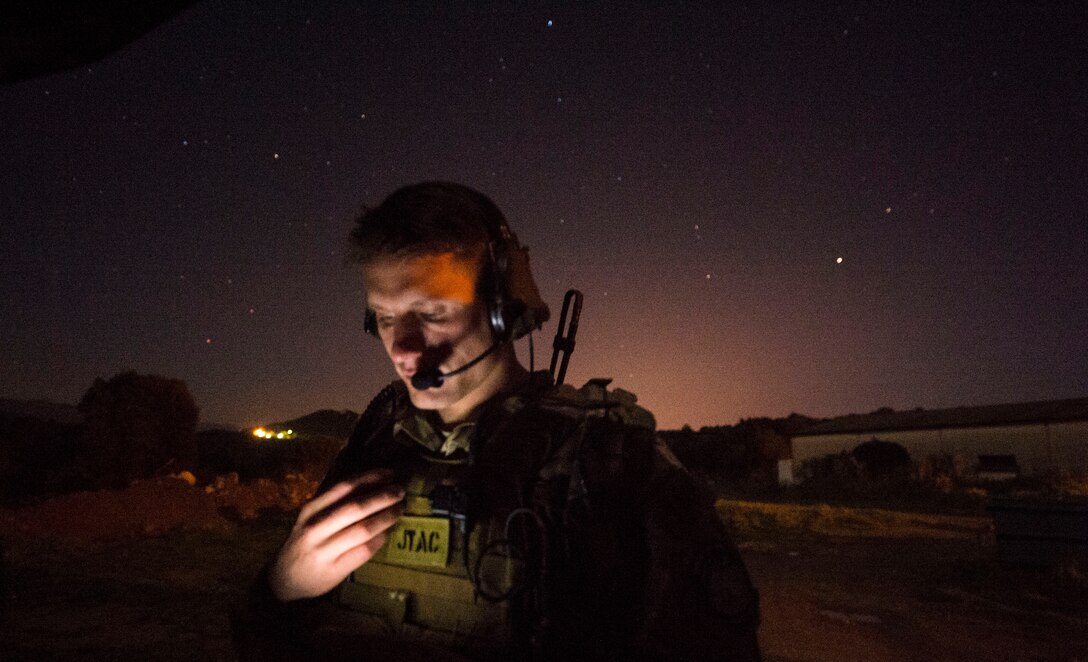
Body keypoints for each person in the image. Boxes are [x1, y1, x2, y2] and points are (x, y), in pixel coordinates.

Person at [233, 182, 761, 661]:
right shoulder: (378, 438)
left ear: (504, 305)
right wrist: (280, 588)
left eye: (433, 313)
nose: (404, 350)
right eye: (387, 318)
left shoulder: (610, 459)